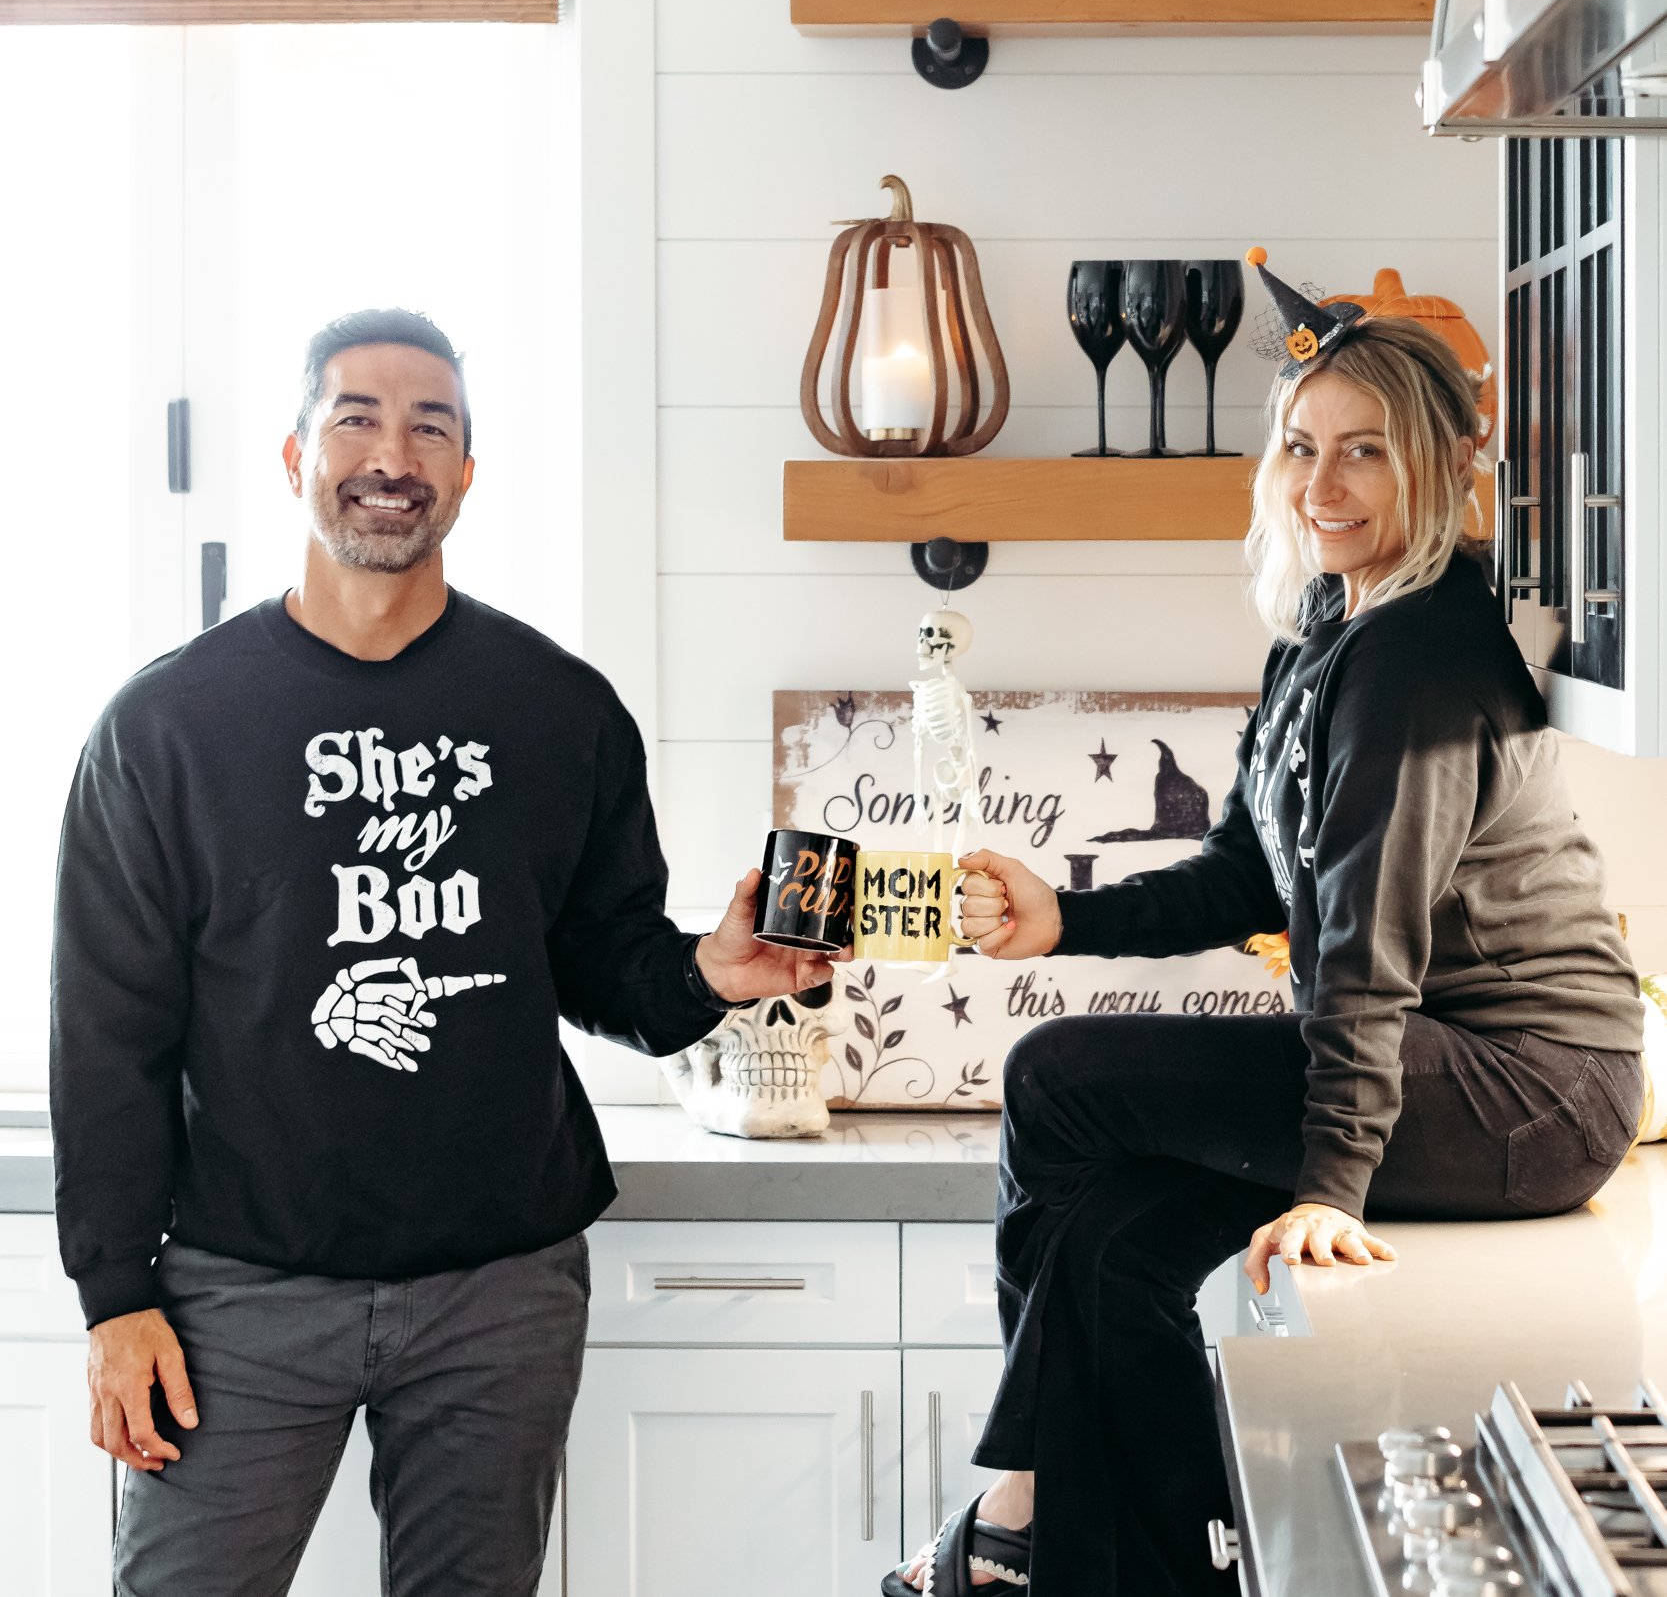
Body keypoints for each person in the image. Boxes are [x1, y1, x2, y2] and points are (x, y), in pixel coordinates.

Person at [887, 253, 1644, 1597]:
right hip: (1439, 1069)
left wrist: (1329, 1189)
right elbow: (1249, 874)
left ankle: (1024, 1515)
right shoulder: (1324, 630)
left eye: (1365, 454)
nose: (1323, 486)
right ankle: (1148, 1566)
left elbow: (1365, 953)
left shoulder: (1425, 655)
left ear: (1437, 474)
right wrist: (1065, 918)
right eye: (1301, 448)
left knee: (1054, 1081)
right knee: (1112, 1240)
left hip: (1529, 1093)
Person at [53, 307, 831, 1597]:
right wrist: (112, 1297)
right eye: (355, 416)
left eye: (432, 426)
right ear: (293, 457)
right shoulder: (166, 727)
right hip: (235, 1293)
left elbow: (603, 964)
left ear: (468, 471)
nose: (392, 453)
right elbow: (106, 1031)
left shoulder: (559, 710)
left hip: (500, 1288)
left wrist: (709, 975)